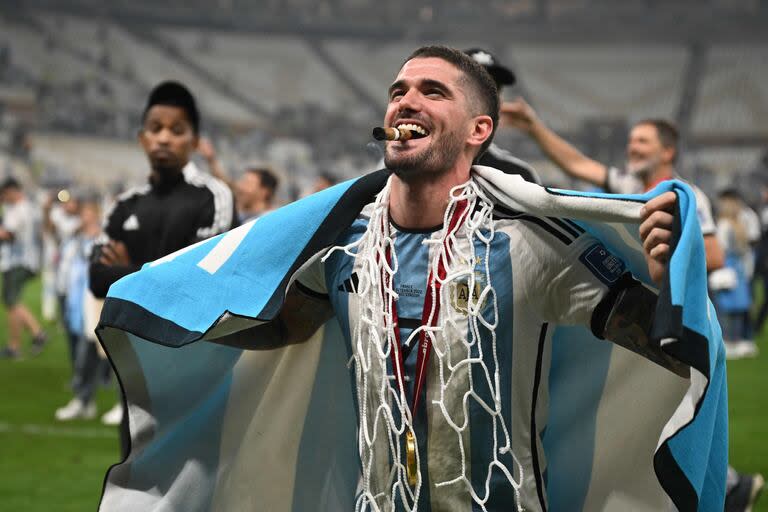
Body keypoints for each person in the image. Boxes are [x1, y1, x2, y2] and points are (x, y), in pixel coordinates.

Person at [208, 46, 691, 510]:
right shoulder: (344, 242)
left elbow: (674, 349)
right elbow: (279, 326)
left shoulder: (531, 241)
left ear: (479, 129)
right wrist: (165, 313)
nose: (406, 101)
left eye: (433, 91)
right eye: (398, 91)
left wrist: (670, 281)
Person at [89, 80, 237, 448]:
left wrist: (128, 272)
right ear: (142, 138)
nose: (164, 138)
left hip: (193, 361)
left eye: (176, 130)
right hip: (136, 364)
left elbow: (198, 280)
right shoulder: (124, 203)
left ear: (194, 140)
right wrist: (164, 273)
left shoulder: (213, 196)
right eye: (155, 129)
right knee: (135, 474)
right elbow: (95, 277)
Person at [501, 98, 725, 271]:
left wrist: (660, 266)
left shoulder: (685, 196)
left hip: (672, 306)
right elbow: (577, 165)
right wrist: (534, 127)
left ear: (667, 152)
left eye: (642, 141)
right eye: (631, 141)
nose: (632, 148)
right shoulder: (628, 186)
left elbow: (714, 256)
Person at [464, 48, 542, 184]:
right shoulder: (419, 162)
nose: (485, 98)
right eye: (472, 87)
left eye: (494, 89)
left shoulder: (518, 176)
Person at [0, 177, 46, 359]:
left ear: (12, 191)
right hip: (27, 259)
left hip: (17, 260)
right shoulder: (29, 207)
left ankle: (31, 336)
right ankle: (22, 340)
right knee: (12, 301)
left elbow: (6, 234)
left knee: (12, 301)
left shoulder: (19, 210)